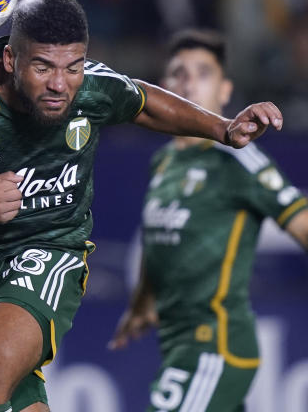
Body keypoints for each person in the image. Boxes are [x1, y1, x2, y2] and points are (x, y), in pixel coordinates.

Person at [0, 0, 284, 412]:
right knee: (12, 402)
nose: (60, 84)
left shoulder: (91, 86)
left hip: (48, 247)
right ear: (11, 59)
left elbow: (141, 102)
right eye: (43, 67)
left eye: (73, 66)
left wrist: (224, 129)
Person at [109, 29, 308, 411]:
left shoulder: (239, 159)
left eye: (203, 73)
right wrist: (142, 303)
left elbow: (301, 225)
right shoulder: (164, 161)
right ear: (162, 87)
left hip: (215, 345)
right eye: (178, 73)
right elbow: (158, 238)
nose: (188, 82)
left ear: (225, 90)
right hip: (176, 342)